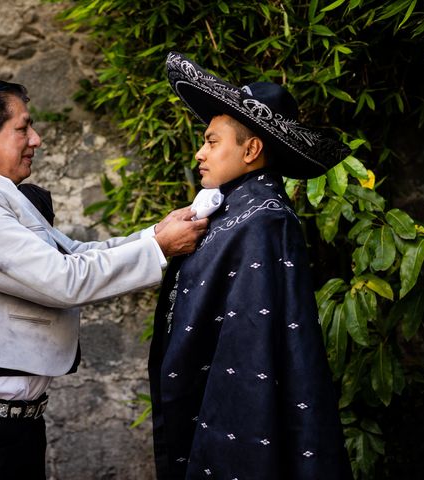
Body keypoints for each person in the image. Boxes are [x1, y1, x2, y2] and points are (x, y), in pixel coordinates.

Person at [0, 79, 208, 480]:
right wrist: (159, 249)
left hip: (4, 422)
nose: (36, 139)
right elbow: (63, 279)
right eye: (23, 128)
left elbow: (73, 254)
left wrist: (154, 235)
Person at [148, 52, 352, 479]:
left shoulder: (266, 220)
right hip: (206, 397)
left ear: (252, 148)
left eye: (212, 141)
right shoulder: (230, 214)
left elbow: (253, 345)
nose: (200, 154)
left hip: (237, 408)